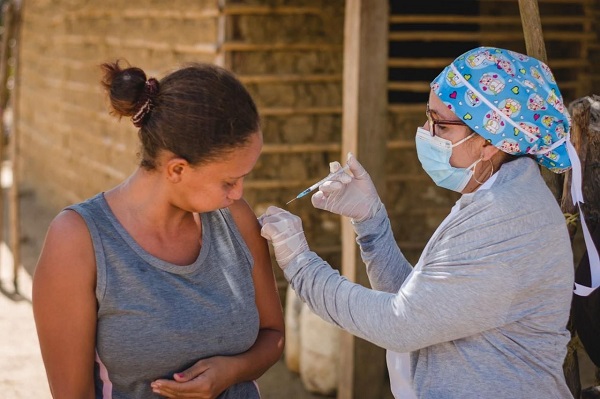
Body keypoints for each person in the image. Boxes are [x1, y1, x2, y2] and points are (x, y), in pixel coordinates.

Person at [259, 47, 585, 398]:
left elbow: (401, 324)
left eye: (441, 125)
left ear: (490, 142)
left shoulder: (508, 221)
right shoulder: (492, 197)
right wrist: (372, 224)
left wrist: (300, 264)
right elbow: (422, 304)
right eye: (428, 118)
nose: (427, 133)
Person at [32, 61, 285, 399]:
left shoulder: (234, 218)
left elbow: (273, 334)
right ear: (177, 169)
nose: (239, 193)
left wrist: (232, 371)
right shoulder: (78, 240)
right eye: (229, 181)